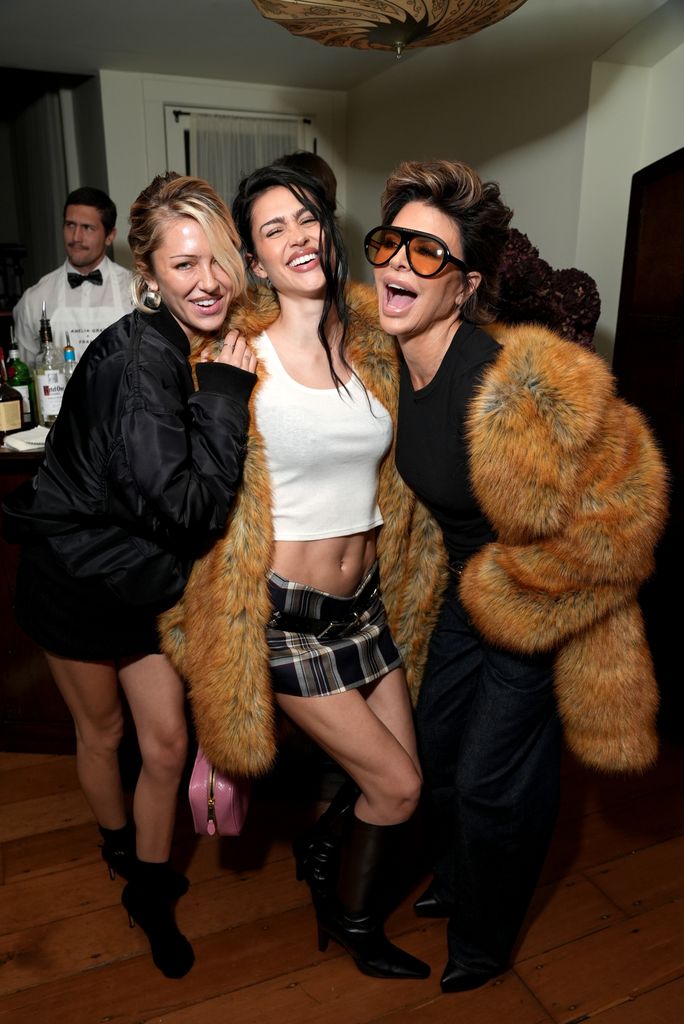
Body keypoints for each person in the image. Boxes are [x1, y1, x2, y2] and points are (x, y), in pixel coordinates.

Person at [363, 159, 668, 992]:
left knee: (499, 777)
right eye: (392, 243)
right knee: (438, 751)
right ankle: (460, 880)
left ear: (464, 288)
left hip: (539, 594)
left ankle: (485, 942)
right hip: (472, 588)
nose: (398, 264)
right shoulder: (394, 361)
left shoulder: (506, 383)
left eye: (429, 254)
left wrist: (532, 598)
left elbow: (630, 504)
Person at [159, 164, 431, 981]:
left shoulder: (376, 345)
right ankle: (350, 920)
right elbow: (189, 486)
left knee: (395, 781)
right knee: (401, 789)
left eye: (306, 218)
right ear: (256, 257)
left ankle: (323, 845)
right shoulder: (236, 354)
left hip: (369, 608)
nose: (297, 237)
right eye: (273, 229)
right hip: (286, 617)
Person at [1, 172, 257, 979]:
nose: (208, 280)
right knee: (104, 734)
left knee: (168, 741)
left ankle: (149, 886)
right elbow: (189, 509)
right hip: (77, 582)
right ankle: (120, 850)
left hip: (140, 583)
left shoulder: (173, 341)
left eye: (218, 258)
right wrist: (224, 393)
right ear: (147, 274)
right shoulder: (144, 362)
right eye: (184, 266)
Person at [12, 186, 133, 365]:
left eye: (87, 228)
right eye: (70, 225)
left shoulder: (134, 290)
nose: (76, 237)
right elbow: (25, 373)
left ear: (110, 236)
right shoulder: (34, 299)